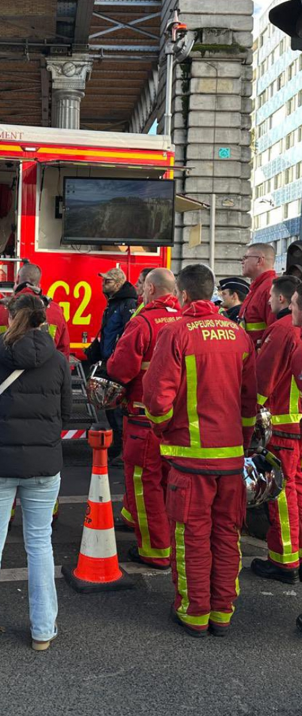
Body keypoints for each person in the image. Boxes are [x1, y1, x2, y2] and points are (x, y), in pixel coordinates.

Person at [142, 263, 256, 637]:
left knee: (192, 536)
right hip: (231, 460)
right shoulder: (239, 336)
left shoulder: (177, 334)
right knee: (226, 535)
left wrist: (163, 432)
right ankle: (222, 613)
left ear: (184, 295)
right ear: (211, 294)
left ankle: (194, 613)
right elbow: (248, 403)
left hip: (190, 460)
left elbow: (157, 400)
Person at [0, 294, 70, 652]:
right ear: (44, 321)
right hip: (43, 466)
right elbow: (65, 415)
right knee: (40, 544)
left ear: (10, 317)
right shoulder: (58, 361)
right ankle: (42, 631)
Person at [105, 268, 181, 569]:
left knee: (144, 482)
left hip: (142, 415)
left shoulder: (143, 322)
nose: (137, 289)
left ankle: (155, 549)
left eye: (140, 285)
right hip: (177, 419)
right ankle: (148, 527)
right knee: (165, 481)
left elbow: (120, 369)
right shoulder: (186, 320)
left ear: (150, 289)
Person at [251, 275, 302, 584]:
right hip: (296, 427)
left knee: (282, 494)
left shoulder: (283, 330)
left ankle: (283, 561)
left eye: (271, 297)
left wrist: (248, 416)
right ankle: (293, 552)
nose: (268, 302)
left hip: (282, 429)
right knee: (296, 492)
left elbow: (263, 379)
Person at [86, 267, 138, 460]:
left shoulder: (127, 304)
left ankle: (120, 450)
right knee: (111, 407)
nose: (103, 284)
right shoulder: (115, 303)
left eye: (107, 281)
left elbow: (128, 335)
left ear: (118, 284)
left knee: (116, 409)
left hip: (118, 363)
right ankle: (118, 448)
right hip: (110, 360)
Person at [0, 262, 71, 364]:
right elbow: (63, 351)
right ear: (39, 284)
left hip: (6, 374)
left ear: (17, 279)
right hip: (47, 376)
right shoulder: (55, 310)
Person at [241, 243, 278, 349]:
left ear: (259, 260)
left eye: (246, 257)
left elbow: (275, 331)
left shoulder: (270, 288)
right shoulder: (258, 287)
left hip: (258, 357)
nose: (242, 261)